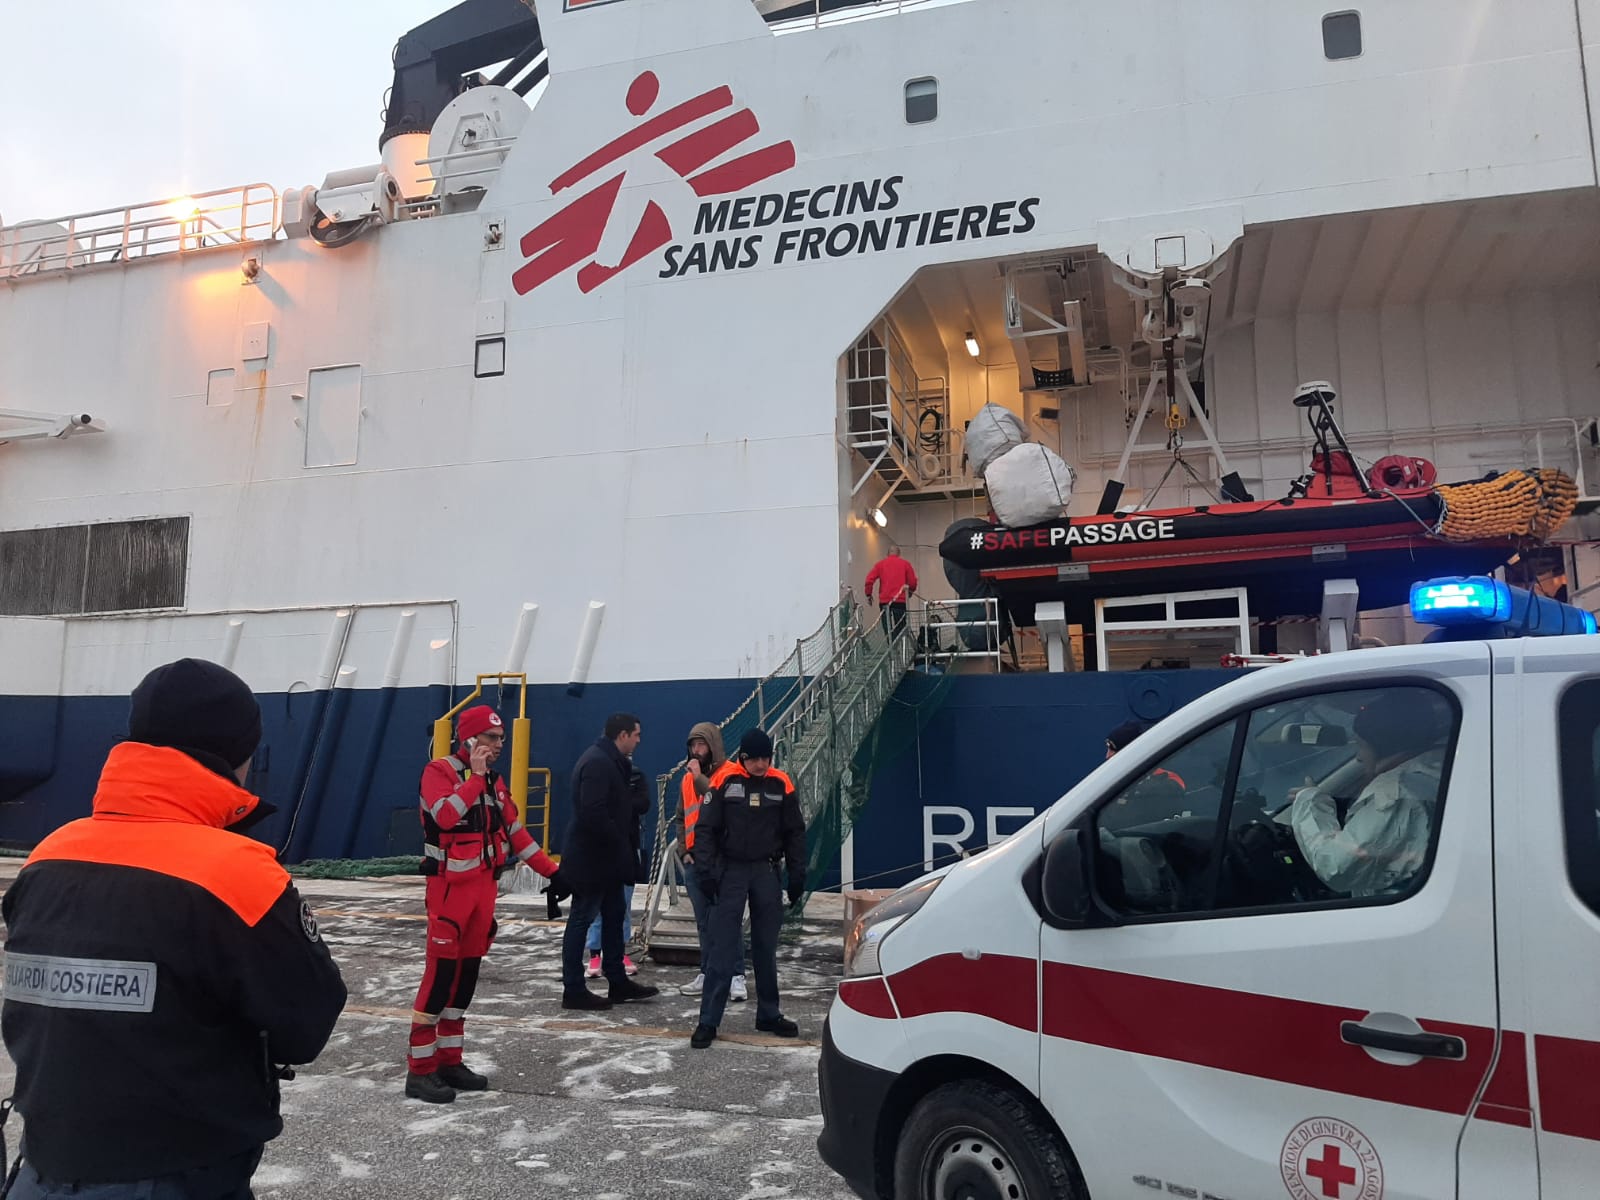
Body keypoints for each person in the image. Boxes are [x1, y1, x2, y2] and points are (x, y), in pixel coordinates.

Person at [0, 658, 347, 1197]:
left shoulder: (47, 855)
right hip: (176, 1174)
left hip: (43, 1168)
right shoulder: (234, 871)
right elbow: (305, 1027)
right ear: (238, 756)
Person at [406, 703, 568, 1103]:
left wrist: (554, 872)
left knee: (464, 984)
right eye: (492, 739)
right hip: (449, 895)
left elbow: (515, 833)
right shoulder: (439, 773)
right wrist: (475, 779)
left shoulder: (494, 784)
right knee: (439, 981)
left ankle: (449, 1061)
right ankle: (420, 1071)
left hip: (482, 895)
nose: (498, 746)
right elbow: (445, 816)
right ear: (471, 739)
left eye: (500, 740)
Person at [690, 727, 806, 1049]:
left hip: (766, 871)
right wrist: (706, 873)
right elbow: (705, 829)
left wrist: (797, 875)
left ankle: (768, 1013)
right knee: (723, 947)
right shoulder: (724, 781)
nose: (762, 764)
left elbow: (795, 832)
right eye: (755, 758)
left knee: (766, 947)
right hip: (731, 872)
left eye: (766, 757)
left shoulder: (780, 783)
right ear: (743, 758)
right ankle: (708, 1020)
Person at [1290, 693, 1449, 897]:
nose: (1358, 756)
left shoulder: (1399, 794)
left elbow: (1337, 867)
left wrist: (1309, 803)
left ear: (1383, 744)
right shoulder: (1437, 766)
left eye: (1361, 745)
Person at [561, 713, 660, 1010]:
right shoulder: (597, 763)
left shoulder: (611, 761)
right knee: (581, 919)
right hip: (593, 861)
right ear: (622, 735)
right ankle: (574, 989)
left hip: (609, 861)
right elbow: (593, 813)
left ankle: (618, 982)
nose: (639, 740)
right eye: (637, 735)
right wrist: (618, 841)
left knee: (615, 917)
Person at [676, 722, 746, 1001]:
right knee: (704, 921)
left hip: (723, 860)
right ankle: (707, 972)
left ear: (713, 746)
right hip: (695, 862)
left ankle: (737, 975)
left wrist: (698, 778)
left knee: (728, 920)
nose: (696, 750)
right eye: (693, 745)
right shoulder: (686, 779)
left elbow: (717, 801)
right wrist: (684, 851)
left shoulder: (731, 774)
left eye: (701, 745)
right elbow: (682, 818)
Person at [585, 761, 652, 978]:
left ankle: (620, 953)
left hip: (626, 849)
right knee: (596, 910)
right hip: (599, 850)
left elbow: (644, 802)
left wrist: (620, 802)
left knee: (623, 906)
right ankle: (595, 955)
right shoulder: (595, 773)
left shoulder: (635, 775)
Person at [864, 543, 918, 635]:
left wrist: (868, 594)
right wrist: (910, 592)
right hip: (900, 601)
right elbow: (912, 582)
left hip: (884, 602)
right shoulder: (905, 564)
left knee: (887, 627)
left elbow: (869, 580)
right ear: (899, 553)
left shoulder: (880, 565)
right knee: (900, 627)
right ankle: (898, 644)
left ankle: (891, 644)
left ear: (887, 553)